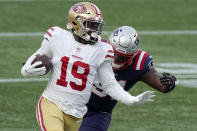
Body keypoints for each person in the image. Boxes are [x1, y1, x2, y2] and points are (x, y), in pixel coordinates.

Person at [21, 2, 156, 131]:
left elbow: (110, 84)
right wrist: (27, 70)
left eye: (97, 25)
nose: (96, 30)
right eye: (91, 25)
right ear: (76, 22)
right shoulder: (57, 36)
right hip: (52, 103)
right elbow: (35, 58)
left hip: (76, 114)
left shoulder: (102, 49)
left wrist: (131, 100)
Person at [79, 26, 177, 131]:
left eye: (123, 57)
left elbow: (162, 86)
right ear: (108, 45)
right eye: (114, 54)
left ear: (134, 55)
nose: (116, 59)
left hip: (97, 113)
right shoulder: (95, 47)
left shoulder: (139, 64)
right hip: (73, 101)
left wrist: (169, 82)